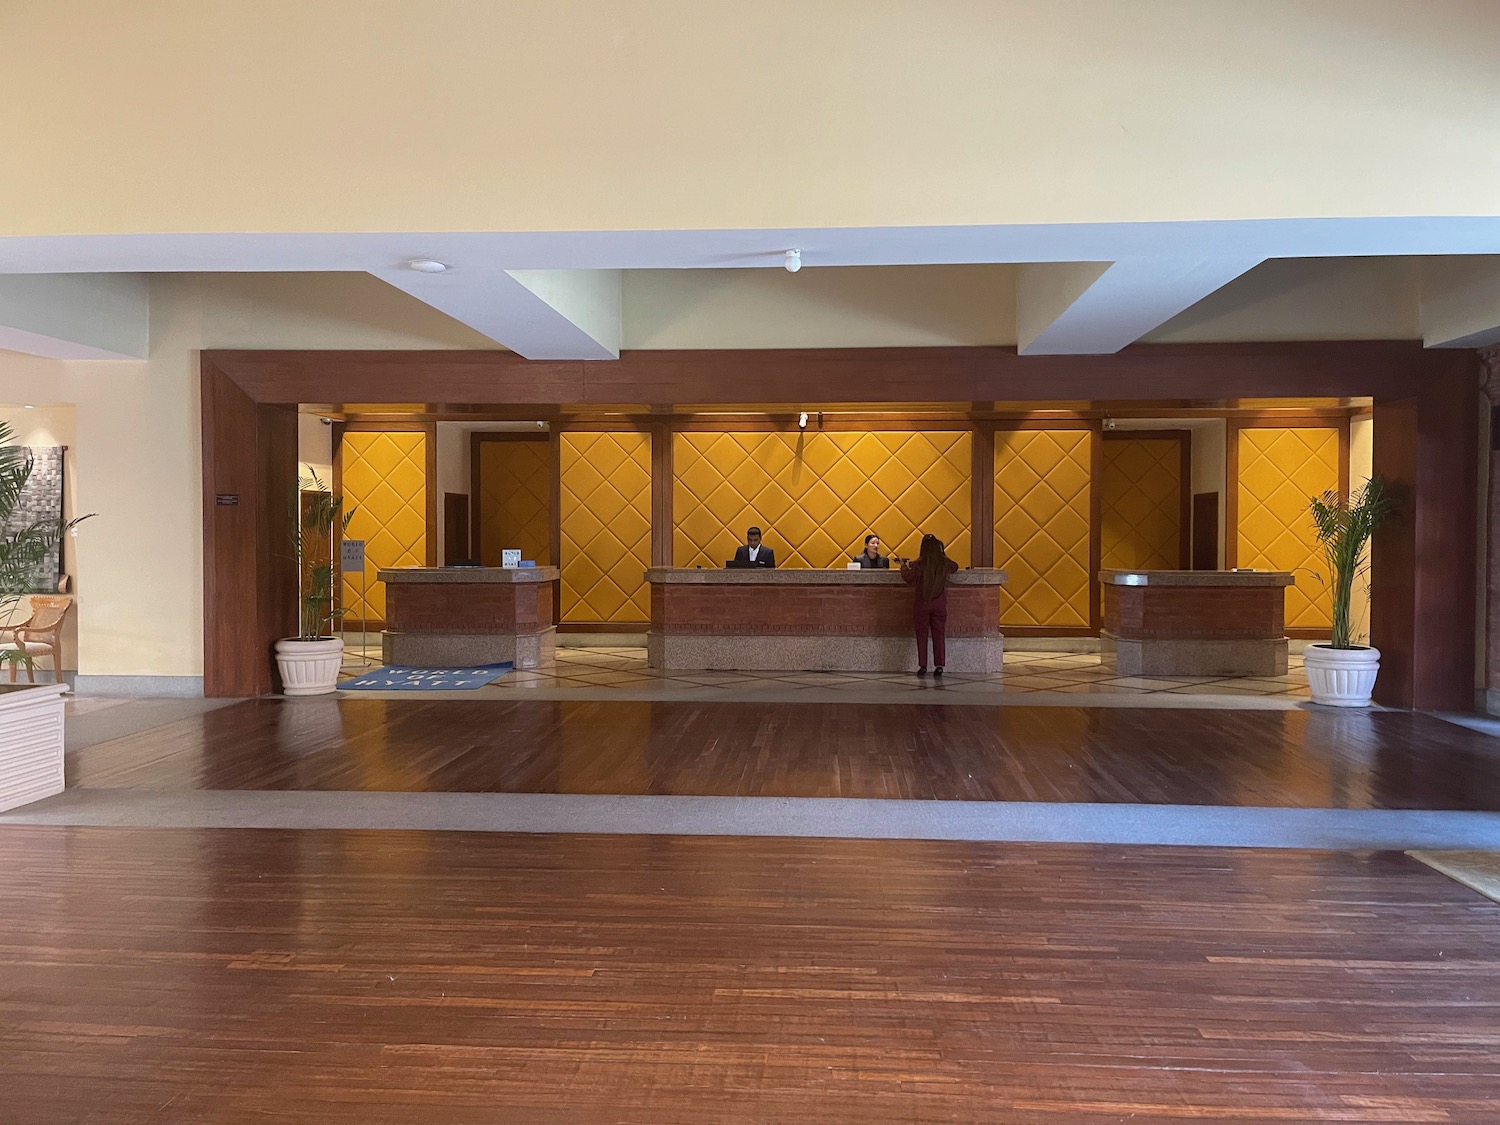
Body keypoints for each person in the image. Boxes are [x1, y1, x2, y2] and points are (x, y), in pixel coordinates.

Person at [899, 534, 959, 676]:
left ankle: (923, 666)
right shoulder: (943, 563)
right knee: (939, 635)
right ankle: (939, 666)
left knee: (922, 635)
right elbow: (955, 567)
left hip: (922, 604)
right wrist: (943, 554)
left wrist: (902, 566)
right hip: (939, 604)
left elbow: (908, 578)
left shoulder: (918, 564)